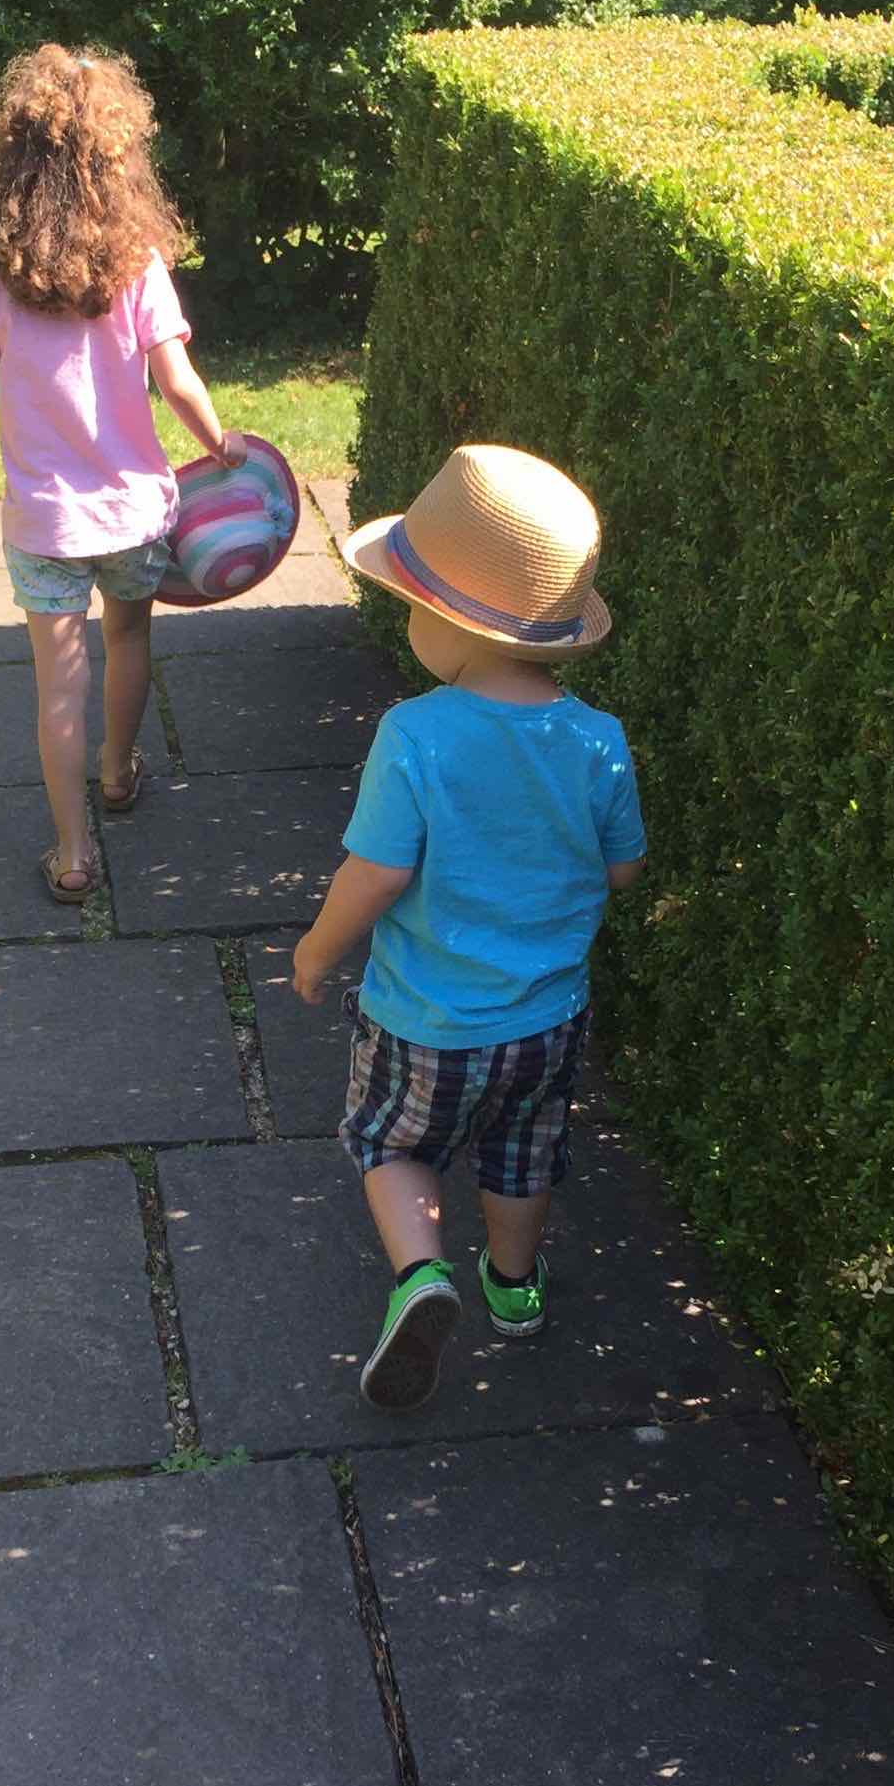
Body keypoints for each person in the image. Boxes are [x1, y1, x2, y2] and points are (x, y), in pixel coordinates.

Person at [292, 445, 647, 1412]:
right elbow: (622, 867)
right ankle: (515, 1289)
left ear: (448, 625)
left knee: (393, 1147)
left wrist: (317, 953)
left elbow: (378, 873)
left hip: (425, 1021)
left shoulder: (416, 734)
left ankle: (422, 1276)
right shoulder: (597, 740)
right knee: (523, 1155)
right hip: (547, 1020)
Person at [0, 44, 242, 902]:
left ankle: (73, 856)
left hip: (43, 522)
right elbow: (178, 379)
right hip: (134, 514)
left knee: (57, 683)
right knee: (131, 638)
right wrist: (219, 444)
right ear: (119, 159)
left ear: (12, 160)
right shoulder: (139, 262)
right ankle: (119, 774)